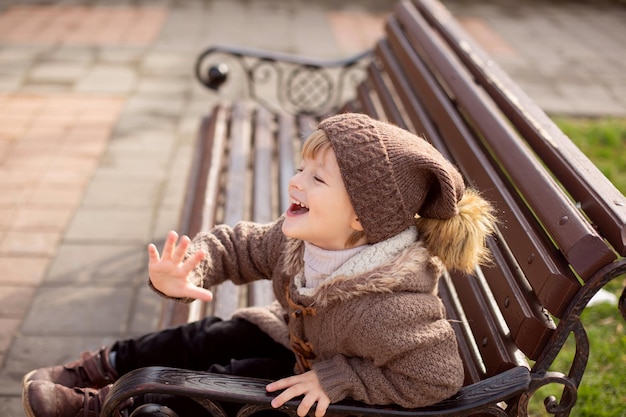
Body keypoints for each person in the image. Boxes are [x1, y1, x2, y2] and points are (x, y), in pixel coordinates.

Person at [22, 113, 496, 417]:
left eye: (316, 179)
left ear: (361, 216)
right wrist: (191, 271)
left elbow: (437, 377)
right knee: (206, 336)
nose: (296, 183)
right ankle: (97, 369)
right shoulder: (296, 243)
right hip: (295, 338)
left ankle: (107, 406)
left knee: (227, 380)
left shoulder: (394, 309)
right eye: (300, 169)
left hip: (327, 392)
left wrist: (340, 379)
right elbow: (236, 245)